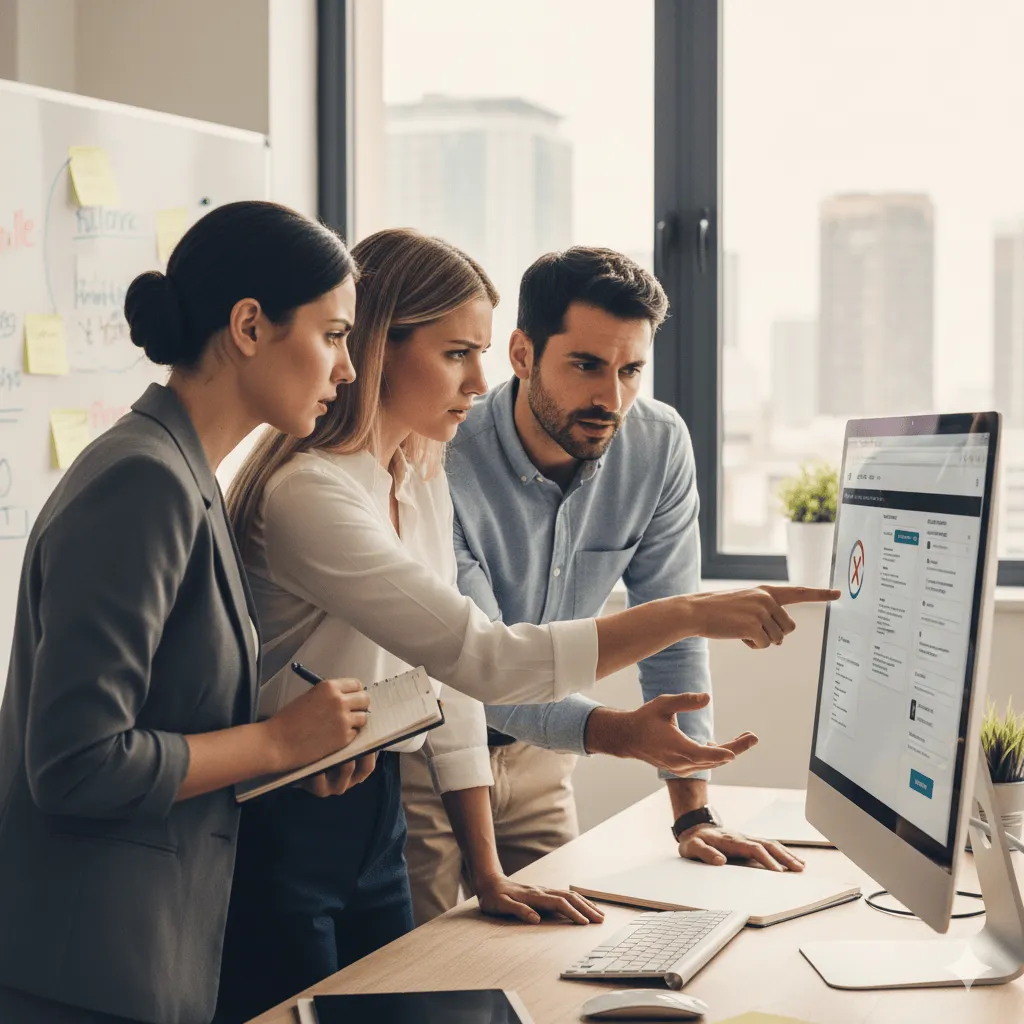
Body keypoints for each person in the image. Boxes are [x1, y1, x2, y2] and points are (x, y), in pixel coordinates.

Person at [216, 227, 837, 1022]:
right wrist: (685, 615)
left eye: (631, 370)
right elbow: (483, 660)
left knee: (525, 981)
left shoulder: (416, 470)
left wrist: (496, 869)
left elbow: (444, 681)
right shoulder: (324, 489)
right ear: (377, 348)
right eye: (455, 354)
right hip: (311, 814)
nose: (474, 383)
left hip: (374, 804)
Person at [0, 201, 372, 1024]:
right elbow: (75, 764)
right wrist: (276, 739)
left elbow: (167, 715)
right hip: (85, 972)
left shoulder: (185, 474)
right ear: (249, 325)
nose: (347, 369)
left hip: (141, 957)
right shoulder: (145, 483)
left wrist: (293, 751)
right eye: (336, 334)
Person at [402, 247, 825, 925]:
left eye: (631, 370)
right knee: (417, 976)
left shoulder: (656, 446)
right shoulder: (441, 448)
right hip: (429, 759)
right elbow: (483, 665)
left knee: (563, 950)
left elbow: (673, 633)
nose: (612, 399)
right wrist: (616, 731)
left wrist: (695, 815)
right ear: (520, 353)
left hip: (546, 758)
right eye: (586, 366)